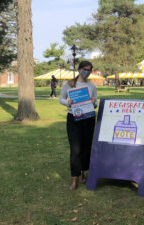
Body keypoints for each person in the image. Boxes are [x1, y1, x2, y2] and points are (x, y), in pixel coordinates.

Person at [59, 61, 97, 190]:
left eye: (90, 70)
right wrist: (68, 102)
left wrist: (94, 102)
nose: (87, 72)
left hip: (88, 118)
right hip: (74, 119)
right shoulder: (69, 84)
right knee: (75, 149)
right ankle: (74, 178)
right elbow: (61, 99)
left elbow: (95, 104)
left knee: (86, 148)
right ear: (79, 69)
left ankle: (82, 173)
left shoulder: (92, 86)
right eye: (85, 69)